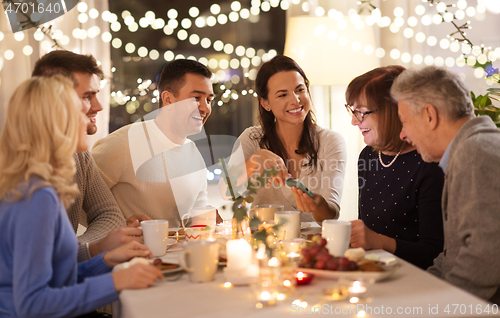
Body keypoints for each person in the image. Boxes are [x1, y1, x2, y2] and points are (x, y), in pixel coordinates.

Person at [0, 76, 163, 318]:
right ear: (57, 122)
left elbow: (57, 280)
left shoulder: (33, 185)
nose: (87, 119)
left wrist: (105, 260)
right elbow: (32, 304)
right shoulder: (37, 197)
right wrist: (116, 282)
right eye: (80, 111)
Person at [391, 65, 500, 303]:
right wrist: (415, 294)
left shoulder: (475, 153)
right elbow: (453, 254)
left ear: (430, 115)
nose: (402, 134)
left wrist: (431, 307)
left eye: (404, 121)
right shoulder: (468, 151)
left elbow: (484, 261)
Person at [32, 50, 149, 262]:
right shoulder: (22, 167)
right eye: (87, 96)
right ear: (56, 99)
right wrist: (93, 249)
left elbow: (110, 215)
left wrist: (89, 248)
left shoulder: (79, 154)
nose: (98, 106)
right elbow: (39, 260)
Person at [221, 55, 346, 223]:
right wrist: (255, 160)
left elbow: (332, 214)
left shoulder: (330, 141)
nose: (295, 100)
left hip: (311, 244)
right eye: (282, 95)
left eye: (300, 90)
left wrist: (318, 205)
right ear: (265, 103)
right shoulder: (252, 139)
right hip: (264, 242)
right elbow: (226, 191)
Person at [92, 59, 215, 226]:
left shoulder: (194, 154)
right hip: (131, 252)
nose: (206, 108)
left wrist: (210, 219)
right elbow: (77, 199)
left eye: (209, 100)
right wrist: (116, 228)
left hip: (180, 251)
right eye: (196, 98)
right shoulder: (124, 143)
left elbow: (198, 218)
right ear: (168, 99)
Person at [345, 65, 444, 269]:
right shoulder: (368, 156)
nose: (354, 122)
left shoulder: (428, 162)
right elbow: (366, 228)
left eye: (361, 112)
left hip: (414, 280)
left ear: (393, 111)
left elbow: (434, 253)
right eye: (352, 111)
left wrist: (378, 241)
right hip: (374, 272)